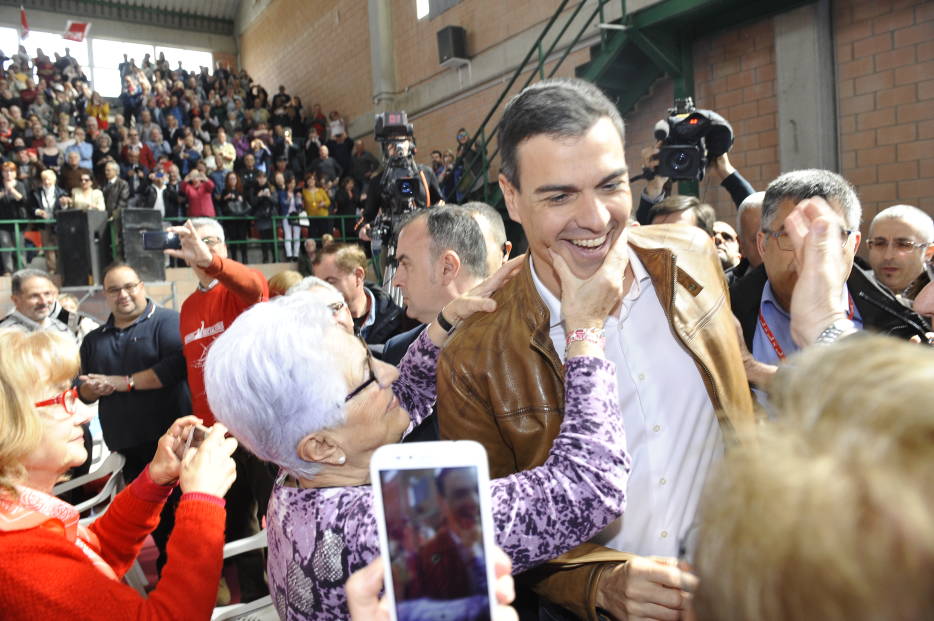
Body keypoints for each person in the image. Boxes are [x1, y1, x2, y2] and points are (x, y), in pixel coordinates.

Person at [437, 78, 754, 620]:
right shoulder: (473, 355)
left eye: (610, 185)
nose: (596, 218)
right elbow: (484, 530)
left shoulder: (694, 257)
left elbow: (738, 410)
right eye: (560, 196)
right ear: (511, 197)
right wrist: (596, 582)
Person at [203, 249, 634, 619]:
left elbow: (402, 394)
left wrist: (447, 320)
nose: (389, 372)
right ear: (321, 445)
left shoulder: (295, 478)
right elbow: (589, 486)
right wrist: (585, 330)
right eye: (369, 375)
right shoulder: (389, 527)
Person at [0, 329, 238, 620]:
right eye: (60, 400)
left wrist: (155, 479)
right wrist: (202, 501)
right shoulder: (17, 556)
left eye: (72, 395)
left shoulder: (18, 519)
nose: (85, 415)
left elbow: (96, 553)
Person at [164, 217, 272, 603]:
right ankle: (256, 598)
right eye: (196, 242)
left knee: (277, 513)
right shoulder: (187, 307)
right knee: (238, 520)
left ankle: (290, 591)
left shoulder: (241, 290)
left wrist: (212, 262)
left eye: (211, 241)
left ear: (224, 248)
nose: (204, 247)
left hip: (257, 427)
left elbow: (254, 285)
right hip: (217, 436)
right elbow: (196, 375)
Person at [730, 169, 929, 369]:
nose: (809, 251)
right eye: (790, 234)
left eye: (827, 235)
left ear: (854, 244)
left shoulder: (905, 325)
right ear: (763, 245)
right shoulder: (723, 318)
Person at [77, 262, 191, 571]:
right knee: (155, 518)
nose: (123, 295)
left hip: (174, 441)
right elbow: (81, 389)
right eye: (114, 290)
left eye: (129, 286)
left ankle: (199, 575)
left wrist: (124, 382)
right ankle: (169, 573)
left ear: (142, 286)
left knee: (185, 512)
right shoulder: (94, 339)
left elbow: (174, 368)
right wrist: (93, 389)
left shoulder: (168, 321)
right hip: (129, 447)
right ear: (105, 295)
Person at [312, 241, 407, 345]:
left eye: (330, 281)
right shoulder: (314, 324)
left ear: (358, 275)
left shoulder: (397, 320)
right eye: (319, 283)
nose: (322, 290)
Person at [865, 204, 933, 302]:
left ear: (928, 252)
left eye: (903, 245)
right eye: (879, 244)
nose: (888, 256)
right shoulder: (849, 295)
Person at [0, 269, 70, 336]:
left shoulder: (62, 327)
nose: (43, 301)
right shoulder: (5, 335)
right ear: (16, 300)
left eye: (47, 294)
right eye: (34, 296)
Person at [28, 169, 70, 273]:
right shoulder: (35, 192)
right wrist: (38, 212)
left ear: (54, 180)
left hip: (57, 224)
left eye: (49, 179)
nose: (46, 182)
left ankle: (61, 271)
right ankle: (51, 270)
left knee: (60, 247)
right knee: (47, 248)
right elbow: (31, 208)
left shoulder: (62, 193)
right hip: (44, 224)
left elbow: (66, 210)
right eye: (44, 179)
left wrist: (64, 205)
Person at [216, 171, 250, 263]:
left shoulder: (242, 190)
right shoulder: (225, 191)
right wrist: (226, 198)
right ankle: (234, 260)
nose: (232, 181)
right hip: (230, 220)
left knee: (243, 240)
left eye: (234, 179)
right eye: (230, 179)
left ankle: (245, 259)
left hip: (241, 219)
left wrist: (241, 199)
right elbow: (221, 204)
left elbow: (247, 203)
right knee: (232, 240)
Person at [0, 161, 27, 274]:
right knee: (5, 245)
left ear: (15, 173)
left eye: (11, 171)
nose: (8, 174)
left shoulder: (20, 185)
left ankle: (22, 270)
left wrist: (12, 190)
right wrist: (4, 192)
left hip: (18, 220)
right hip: (2, 221)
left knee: (19, 245)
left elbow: (24, 200)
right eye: (6, 171)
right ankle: (8, 270)